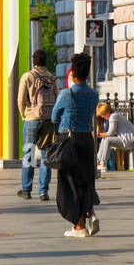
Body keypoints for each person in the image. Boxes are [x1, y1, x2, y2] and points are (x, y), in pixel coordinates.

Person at [51, 52, 100, 239]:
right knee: (86, 180)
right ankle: (90, 213)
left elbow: (55, 116)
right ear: (87, 74)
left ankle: (79, 226)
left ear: (72, 74)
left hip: (70, 141)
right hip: (88, 140)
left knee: (69, 183)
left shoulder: (66, 94)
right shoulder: (94, 94)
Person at [16, 49, 58, 201]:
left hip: (31, 119)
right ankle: (43, 191)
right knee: (46, 155)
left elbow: (21, 100)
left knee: (29, 154)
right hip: (48, 121)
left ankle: (26, 189)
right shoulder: (52, 78)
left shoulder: (28, 76)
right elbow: (57, 97)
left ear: (34, 61)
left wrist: (23, 115)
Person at [96, 102, 134, 173]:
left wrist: (98, 134)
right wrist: (102, 135)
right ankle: (97, 161)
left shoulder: (113, 116)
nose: (102, 117)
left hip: (130, 141)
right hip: (126, 139)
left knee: (107, 140)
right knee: (105, 139)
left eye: (103, 115)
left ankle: (103, 164)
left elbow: (110, 133)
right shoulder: (115, 115)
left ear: (107, 112)